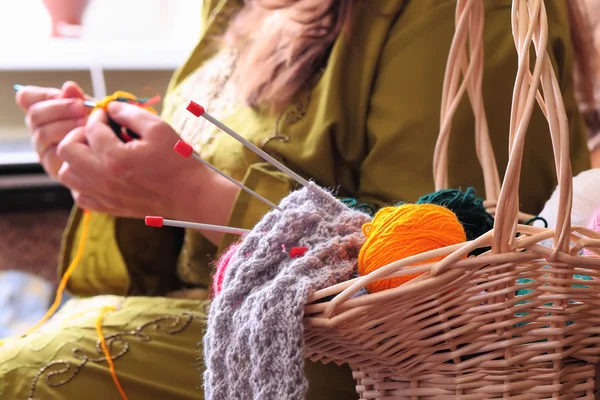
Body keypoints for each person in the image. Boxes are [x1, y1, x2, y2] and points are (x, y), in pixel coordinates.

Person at [2, 0, 597, 398]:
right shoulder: (235, 4)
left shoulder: (459, 13)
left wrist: (186, 189)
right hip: (226, 303)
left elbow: (440, 266)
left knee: (28, 375)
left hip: (361, 354)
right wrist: (114, 167)